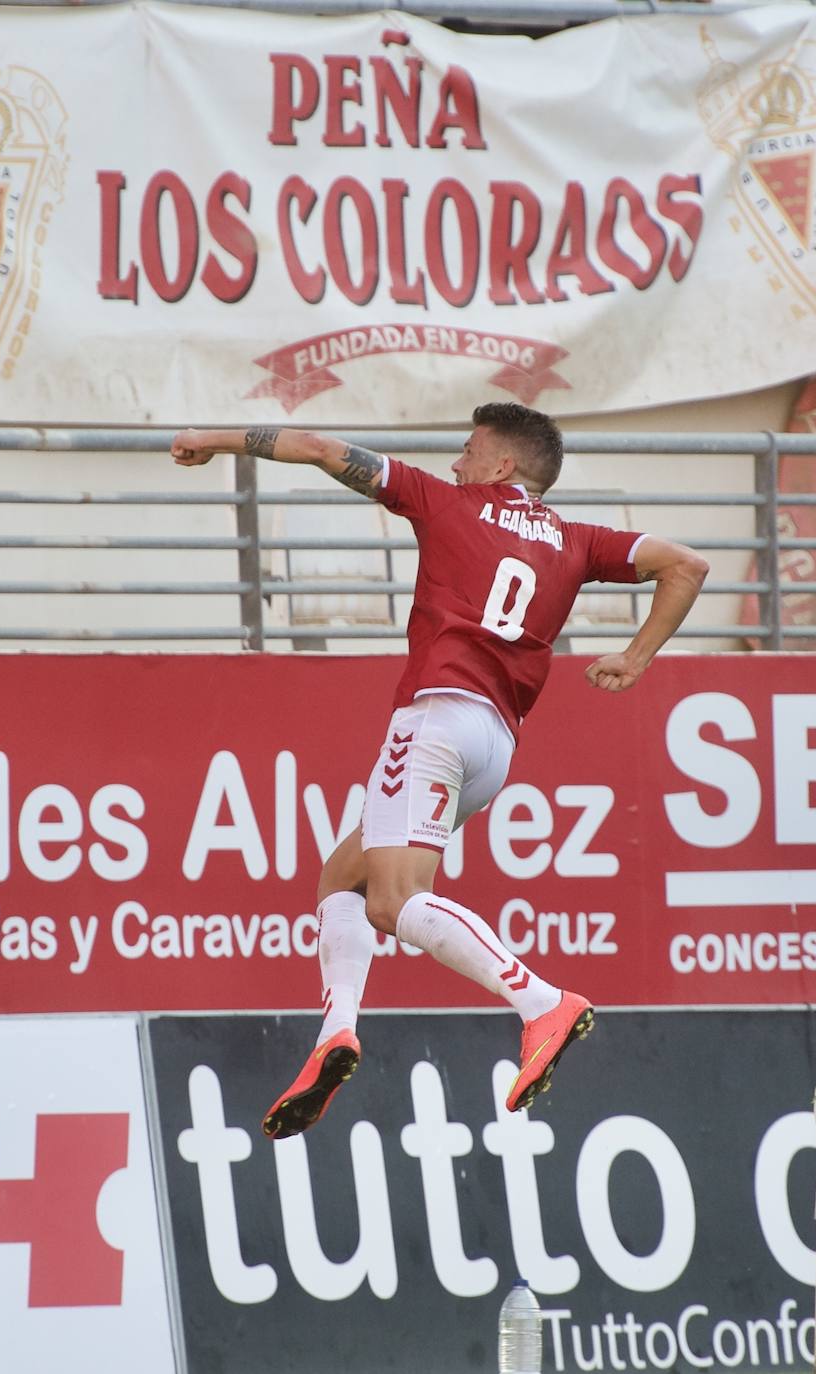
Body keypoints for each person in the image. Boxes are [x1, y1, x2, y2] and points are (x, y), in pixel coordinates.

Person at [171, 403, 708, 1138]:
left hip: (435, 719)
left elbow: (324, 446)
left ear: (501, 466)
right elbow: (688, 564)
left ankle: (541, 1001)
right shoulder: (578, 541)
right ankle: (337, 1031)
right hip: (495, 746)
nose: (457, 463)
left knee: (394, 902)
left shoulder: (447, 501)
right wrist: (635, 658)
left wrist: (214, 434)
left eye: (467, 450)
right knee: (343, 878)